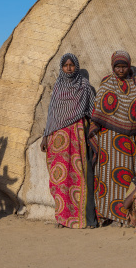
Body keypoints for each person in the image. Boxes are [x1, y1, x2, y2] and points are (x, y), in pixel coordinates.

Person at [89, 50, 136, 226]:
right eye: (117, 66)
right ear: (112, 66)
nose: (120, 70)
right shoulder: (106, 83)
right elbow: (98, 109)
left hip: (128, 142)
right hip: (107, 140)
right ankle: (106, 214)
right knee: (106, 178)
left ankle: (124, 215)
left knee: (126, 178)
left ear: (129, 66)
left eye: (124, 66)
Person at [40, 53, 97, 229]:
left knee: (78, 175)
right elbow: (52, 114)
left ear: (77, 66)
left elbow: (92, 110)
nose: (69, 68)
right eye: (66, 65)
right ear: (62, 67)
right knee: (60, 179)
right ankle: (62, 218)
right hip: (58, 138)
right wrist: (45, 135)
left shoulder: (84, 85)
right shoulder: (57, 86)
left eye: (72, 65)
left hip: (78, 134)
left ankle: (81, 218)